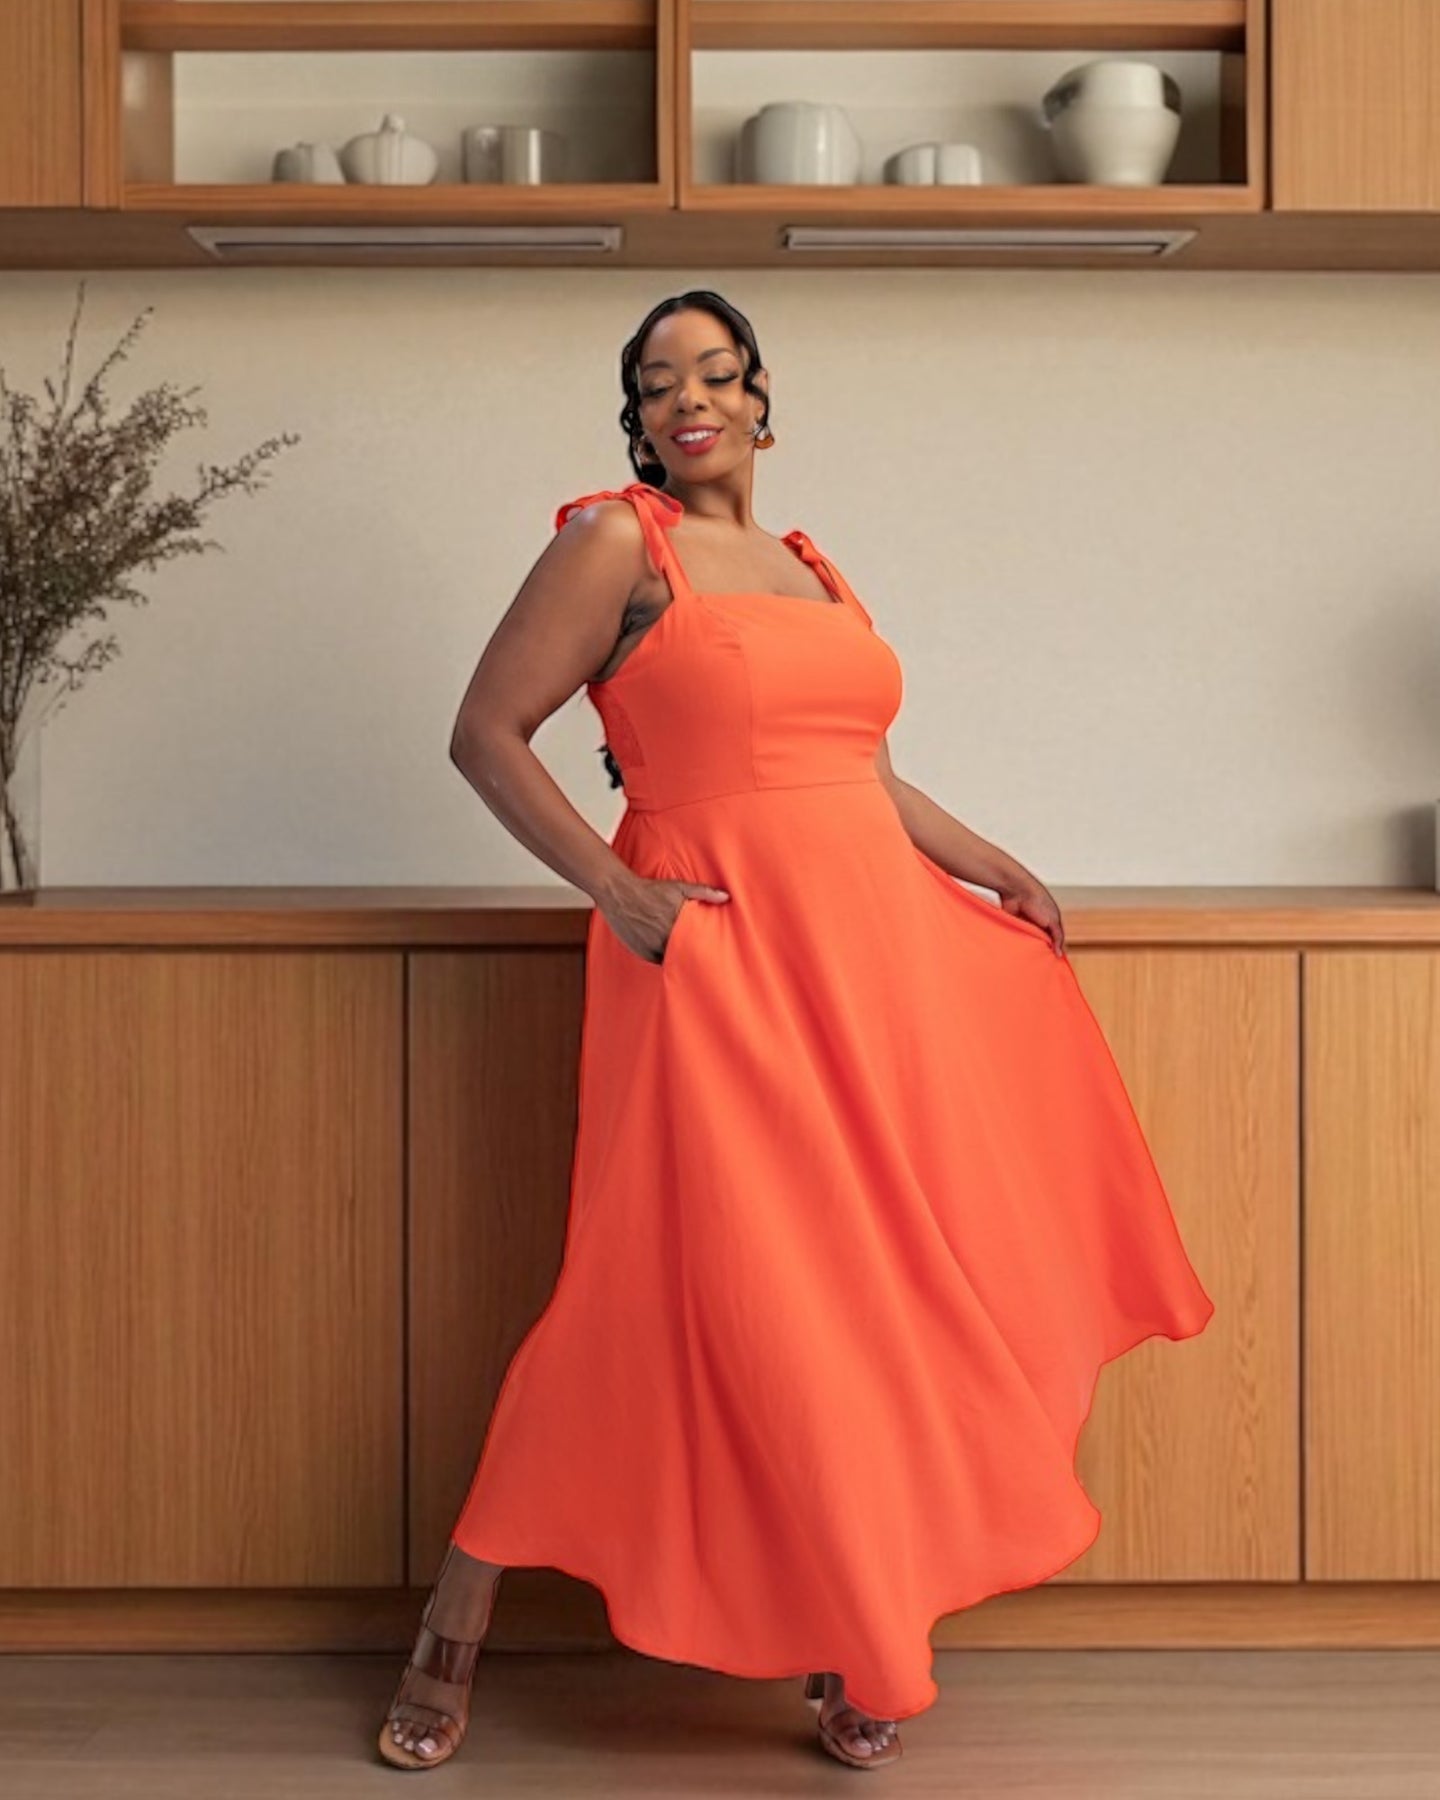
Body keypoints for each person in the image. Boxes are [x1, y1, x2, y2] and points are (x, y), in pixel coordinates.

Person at [379, 290, 1215, 1773]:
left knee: (861, 1294)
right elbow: (482, 733)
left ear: (763, 398)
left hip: (870, 956)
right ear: (637, 417)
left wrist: (994, 863)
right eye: (658, 382)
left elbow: (862, 776)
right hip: (717, 959)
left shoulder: (814, 569)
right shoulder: (612, 543)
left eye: (715, 372)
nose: (688, 399)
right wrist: (619, 892)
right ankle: (456, 1617)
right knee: (670, 1285)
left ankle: (857, 1623)